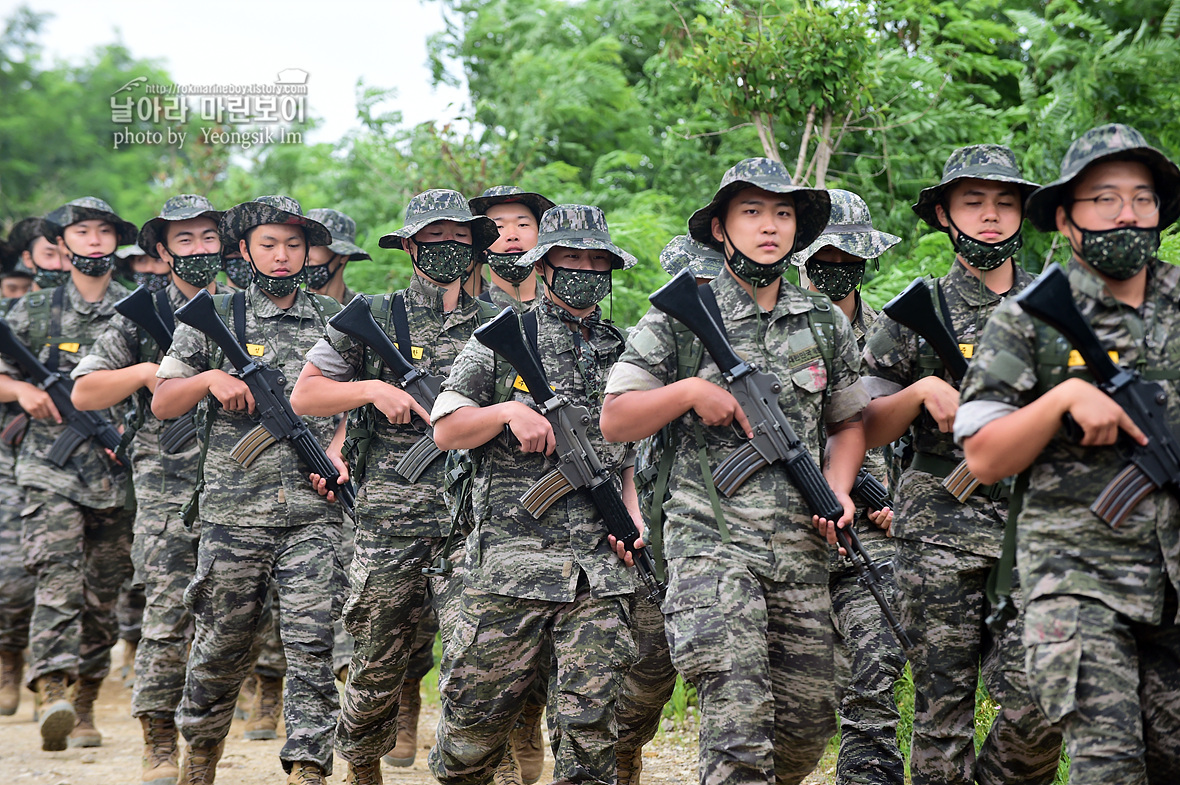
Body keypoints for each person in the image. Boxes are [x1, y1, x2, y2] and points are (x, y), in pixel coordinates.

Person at [600, 158, 868, 785]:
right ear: (720, 228)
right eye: (751, 212)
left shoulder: (824, 321)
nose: (769, 226)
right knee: (738, 721)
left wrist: (839, 487)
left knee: (804, 732)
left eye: (782, 214)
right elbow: (616, 420)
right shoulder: (679, 315)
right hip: (709, 544)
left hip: (802, 550)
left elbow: (849, 422)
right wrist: (689, 389)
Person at [957, 123, 1180, 784]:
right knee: (1108, 767)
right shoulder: (1030, 318)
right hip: (1076, 582)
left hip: (1173, 585)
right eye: (1104, 198)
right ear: (1065, 217)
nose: (1126, 214)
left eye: (1142, 198)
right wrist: (1060, 403)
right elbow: (984, 457)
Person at [859, 145, 1063, 785]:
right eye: (973, 202)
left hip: (1036, 525)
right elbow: (862, 424)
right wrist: (921, 393)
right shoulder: (915, 313)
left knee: (1046, 700)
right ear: (945, 215)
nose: (990, 216)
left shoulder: (1058, 307)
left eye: (1005, 203)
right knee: (942, 710)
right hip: (938, 523)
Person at [290, 188, 499, 785]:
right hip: (390, 517)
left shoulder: (499, 325)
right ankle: (360, 762)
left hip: (475, 521)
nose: (446, 251)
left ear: (475, 247)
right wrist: (372, 391)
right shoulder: (375, 318)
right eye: (432, 239)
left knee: (479, 658)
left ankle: (473, 766)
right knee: (377, 657)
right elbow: (307, 394)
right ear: (409, 247)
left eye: (458, 240)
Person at [428, 203, 640, 785]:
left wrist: (633, 518)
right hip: (509, 565)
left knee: (592, 726)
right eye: (571, 259)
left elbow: (628, 457)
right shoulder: (503, 336)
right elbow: (446, 429)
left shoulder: (625, 348)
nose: (585, 271)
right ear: (544, 266)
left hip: (599, 568)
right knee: (472, 731)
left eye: (597, 262)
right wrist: (503, 412)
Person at [152, 195, 345, 785]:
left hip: (315, 512)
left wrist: (337, 454)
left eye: (294, 245)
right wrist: (210, 377)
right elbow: (164, 401)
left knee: (312, 646)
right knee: (220, 646)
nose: (283, 257)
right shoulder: (214, 315)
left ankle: (309, 764)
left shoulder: (332, 319)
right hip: (234, 514)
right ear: (244, 251)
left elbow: (353, 404)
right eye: (269, 245)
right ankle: (202, 752)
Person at [70, 194, 227, 784]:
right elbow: (84, 393)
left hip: (242, 487)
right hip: (166, 489)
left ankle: (207, 736)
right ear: (162, 251)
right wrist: (145, 373)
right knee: (167, 614)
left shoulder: (242, 311)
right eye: (183, 240)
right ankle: (158, 737)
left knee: (233, 620)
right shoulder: (141, 315)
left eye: (207, 238)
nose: (197, 250)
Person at [0, 197, 138, 752]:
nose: (96, 241)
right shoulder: (31, 313)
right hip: (47, 467)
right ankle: (52, 685)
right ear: (63, 243)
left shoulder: (137, 310)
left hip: (117, 470)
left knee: (102, 598)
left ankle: (83, 703)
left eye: (105, 232)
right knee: (56, 575)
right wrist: (23, 391)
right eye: (83, 232)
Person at [793, 189, 906, 785]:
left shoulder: (894, 333)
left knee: (875, 672)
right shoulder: (771, 329)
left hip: (874, 539)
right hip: (793, 532)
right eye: (824, 256)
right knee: (796, 701)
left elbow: (921, 433)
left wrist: (901, 504)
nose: (835, 268)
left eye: (847, 257)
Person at [468, 185, 555, 310]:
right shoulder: (471, 314)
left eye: (523, 224)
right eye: (498, 226)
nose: (512, 235)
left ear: (540, 234)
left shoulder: (563, 310)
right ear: (482, 241)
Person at [305, 208, 369, 305]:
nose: (305, 254)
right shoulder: (286, 310)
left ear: (343, 255)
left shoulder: (363, 309)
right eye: (298, 245)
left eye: (315, 245)